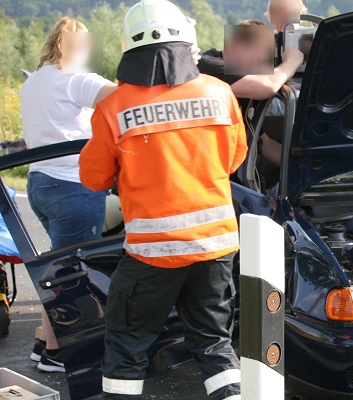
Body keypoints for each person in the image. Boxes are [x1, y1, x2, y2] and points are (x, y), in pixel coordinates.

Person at [79, 0, 247, 398]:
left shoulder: (113, 106)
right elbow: (234, 157)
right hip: (216, 246)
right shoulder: (220, 93)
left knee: (126, 346)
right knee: (214, 345)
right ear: (187, 41)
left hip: (153, 253)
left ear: (128, 47)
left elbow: (93, 177)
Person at [19, 16, 116, 374]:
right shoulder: (78, 80)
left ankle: (45, 344)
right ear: (83, 46)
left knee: (59, 265)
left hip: (40, 182)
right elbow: (126, 99)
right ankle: (59, 355)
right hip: (73, 184)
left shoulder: (34, 82)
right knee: (73, 273)